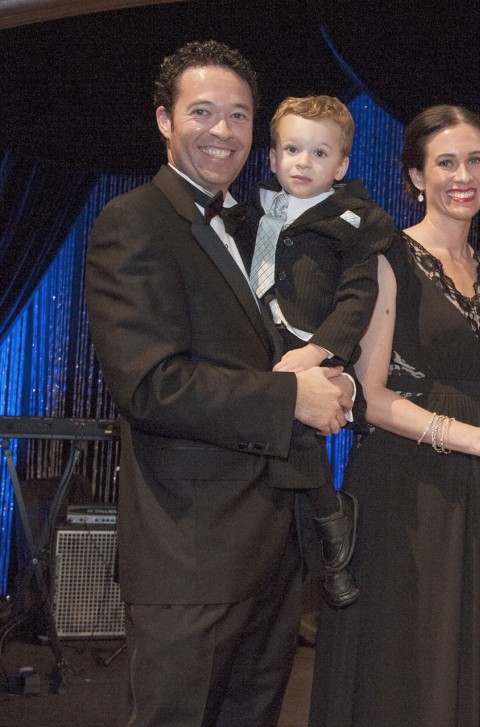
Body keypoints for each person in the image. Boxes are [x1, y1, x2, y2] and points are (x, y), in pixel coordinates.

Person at [84, 40, 354, 727]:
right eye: (202, 111)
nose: (222, 130)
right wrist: (292, 397)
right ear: (163, 120)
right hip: (190, 560)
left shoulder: (260, 225)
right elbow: (151, 385)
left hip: (269, 554)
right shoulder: (133, 223)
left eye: (238, 115)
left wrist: (326, 378)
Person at [309, 105, 480, 727]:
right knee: (400, 662)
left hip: (471, 494)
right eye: (446, 162)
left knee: (455, 656)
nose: (463, 174)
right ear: (416, 177)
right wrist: (477, 440)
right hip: (403, 487)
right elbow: (368, 395)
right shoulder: (387, 257)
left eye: (475, 160)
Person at [232, 95, 395, 608]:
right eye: (292, 150)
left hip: (307, 344)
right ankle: (326, 535)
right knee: (276, 432)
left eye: (319, 154)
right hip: (254, 343)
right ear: (274, 157)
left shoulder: (353, 220)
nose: (303, 163)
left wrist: (323, 351)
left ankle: (330, 533)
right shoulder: (244, 210)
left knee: (302, 431)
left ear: (342, 165)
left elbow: (357, 296)